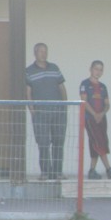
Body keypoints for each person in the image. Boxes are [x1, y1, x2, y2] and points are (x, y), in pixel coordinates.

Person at [26, 43, 68, 181]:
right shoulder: (29, 71)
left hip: (58, 112)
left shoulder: (54, 68)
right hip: (40, 113)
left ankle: (58, 172)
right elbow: (28, 92)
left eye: (45, 51)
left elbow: (62, 87)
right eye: (41, 51)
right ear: (35, 53)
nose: (44, 54)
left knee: (58, 142)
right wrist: (32, 110)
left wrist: (64, 106)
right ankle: (45, 172)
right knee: (43, 143)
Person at [79, 60, 111, 180]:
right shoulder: (85, 84)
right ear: (91, 69)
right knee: (98, 142)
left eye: (100, 70)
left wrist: (102, 113)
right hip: (90, 118)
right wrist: (94, 114)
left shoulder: (103, 87)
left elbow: (107, 104)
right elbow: (84, 101)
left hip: (102, 119)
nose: (98, 72)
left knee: (98, 142)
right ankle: (109, 170)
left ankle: (92, 170)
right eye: (96, 69)